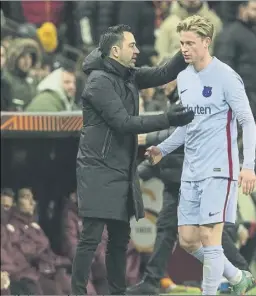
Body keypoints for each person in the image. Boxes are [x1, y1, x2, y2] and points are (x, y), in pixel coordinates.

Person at [71, 24, 195, 295]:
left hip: (120, 169)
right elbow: (124, 123)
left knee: (119, 239)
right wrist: (167, 119)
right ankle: (78, 292)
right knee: (90, 238)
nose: (138, 50)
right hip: (97, 169)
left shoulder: (128, 75)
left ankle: (117, 293)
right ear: (115, 51)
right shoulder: (98, 82)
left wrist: (187, 45)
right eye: (132, 46)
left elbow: (164, 73)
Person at [145, 15, 256, 295]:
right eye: (182, 43)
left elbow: (248, 121)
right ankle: (236, 277)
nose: (184, 48)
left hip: (220, 168)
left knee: (210, 238)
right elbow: (186, 128)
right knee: (189, 240)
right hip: (191, 169)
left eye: (190, 43)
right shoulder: (183, 78)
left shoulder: (226, 76)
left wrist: (249, 166)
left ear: (206, 42)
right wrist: (163, 148)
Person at [127, 81, 254, 295]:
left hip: (195, 178)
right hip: (174, 178)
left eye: (167, 79)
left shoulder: (192, 98)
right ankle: (152, 280)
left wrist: (149, 137)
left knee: (207, 233)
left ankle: (241, 272)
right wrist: (137, 174)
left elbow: (184, 134)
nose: (163, 85)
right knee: (169, 230)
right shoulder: (173, 101)